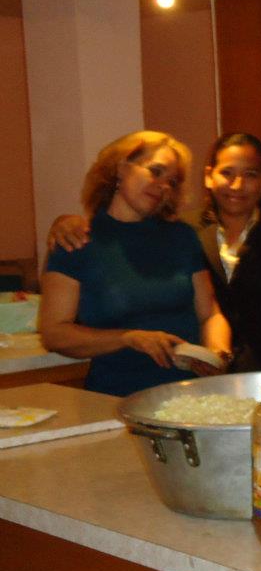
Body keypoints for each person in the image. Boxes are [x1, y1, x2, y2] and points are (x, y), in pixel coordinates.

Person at [49, 132, 261, 373]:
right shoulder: (188, 230)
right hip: (173, 382)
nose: (237, 185)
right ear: (209, 177)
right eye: (227, 173)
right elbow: (60, 326)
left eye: (250, 175)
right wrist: (64, 223)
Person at [40, 130, 232, 397]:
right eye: (155, 171)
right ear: (121, 168)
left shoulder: (182, 237)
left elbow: (210, 314)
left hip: (190, 397)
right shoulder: (77, 240)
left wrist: (217, 354)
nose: (163, 185)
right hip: (116, 398)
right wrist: (128, 338)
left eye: (172, 181)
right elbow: (54, 334)